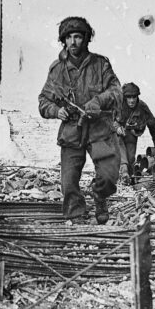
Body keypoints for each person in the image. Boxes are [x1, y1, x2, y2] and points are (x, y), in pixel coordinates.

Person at [38, 16, 122, 224]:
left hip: (98, 127)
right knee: (69, 180)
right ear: (63, 40)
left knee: (109, 176)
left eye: (78, 37)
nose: (73, 42)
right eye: (69, 38)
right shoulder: (57, 70)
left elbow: (116, 91)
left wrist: (98, 101)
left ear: (86, 39)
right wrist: (56, 111)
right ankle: (76, 216)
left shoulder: (100, 64)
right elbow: (43, 101)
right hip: (72, 129)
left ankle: (100, 195)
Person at [115, 82, 155, 184]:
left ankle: (129, 177)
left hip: (132, 133)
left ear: (137, 97)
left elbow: (152, 122)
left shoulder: (142, 107)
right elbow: (107, 119)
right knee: (122, 156)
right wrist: (116, 127)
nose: (131, 100)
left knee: (131, 157)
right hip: (118, 134)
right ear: (125, 97)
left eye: (134, 97)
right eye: (129, 97)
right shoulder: (117, 105)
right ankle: (124, 173)